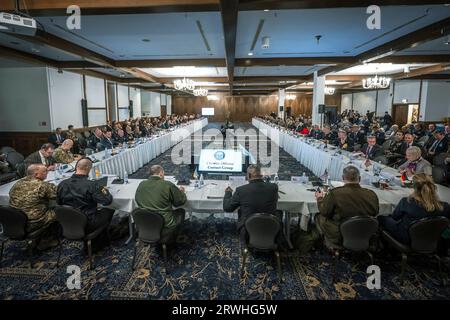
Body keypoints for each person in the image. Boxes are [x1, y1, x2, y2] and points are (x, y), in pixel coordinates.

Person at [314, 165, 379, 247]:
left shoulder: (335, 193)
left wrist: (319, 199)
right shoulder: (371, 194)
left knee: (318, 217)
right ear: (359, 179)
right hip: (366, 231)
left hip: (341, 233)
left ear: (343, 178)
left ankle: (329, 243)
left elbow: (325, 212)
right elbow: (376, 212)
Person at [379, 174, 450, 245]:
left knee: (382, 217)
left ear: (415, 188)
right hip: (431, 239)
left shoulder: (406, 202)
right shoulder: (445, 206)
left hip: (407, 238)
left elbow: (395, 217)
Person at [223, 165, 280, 243]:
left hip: (247, 231)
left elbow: (227, 208)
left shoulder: (241, 190)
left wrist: (228, 193)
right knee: (279, 212)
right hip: (272, 228)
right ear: (262, 175)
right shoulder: (274, 187)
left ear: (248, 176)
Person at [57, 158, 114, 233]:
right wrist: (105, 190)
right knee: (109, 210)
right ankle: (101, 239)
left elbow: (59, 202)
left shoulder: (62, 184)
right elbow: (107, 201)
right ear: (88, 168)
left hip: (68, 220)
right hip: (88, 222)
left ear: (76, 167)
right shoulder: (92, 185)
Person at [9, 164, 58, 249]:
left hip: (15, 221)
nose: (47, 172)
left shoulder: (18, 183)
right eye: (45, 171)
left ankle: (39, 238)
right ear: (36, 175)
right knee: (58, 211)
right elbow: (57, 195)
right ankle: (46, 240)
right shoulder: (42, 185)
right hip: (33, 222)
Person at [135, 165, 186, 236]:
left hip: (145, 222)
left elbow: (137, 200)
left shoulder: (141, 184)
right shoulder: (167, 185)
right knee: (181, 211)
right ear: (161, 173)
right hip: (164, 223)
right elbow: (179, 202)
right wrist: (181, 192)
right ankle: (173, 236)